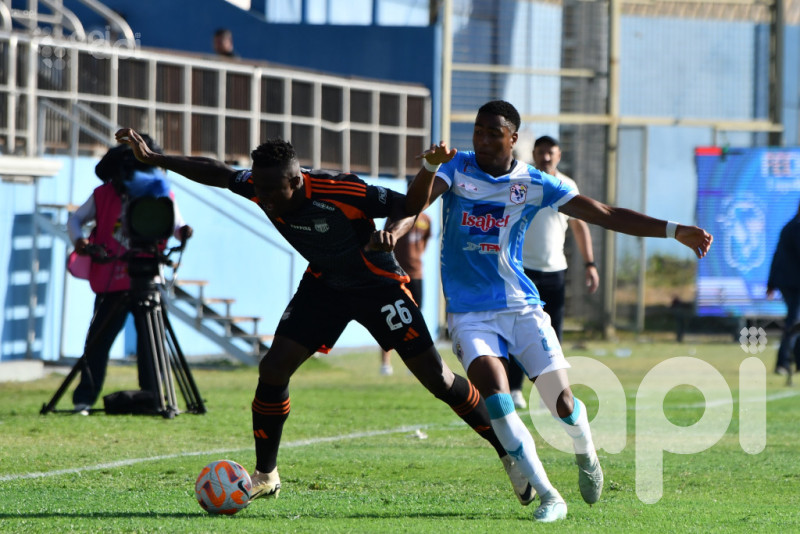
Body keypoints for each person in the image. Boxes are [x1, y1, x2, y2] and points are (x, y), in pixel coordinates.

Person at [115, 127, 535, 507]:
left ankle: (509, 451)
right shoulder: (261, 186)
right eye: (258, 188)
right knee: (273, 368)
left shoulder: (342, 190)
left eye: (272, 190)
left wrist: (421, 178)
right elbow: (219, 172)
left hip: (377, 286)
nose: (263, 197)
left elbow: (410, 203)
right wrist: (157, 158)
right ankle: (266, 475)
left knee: (438, 379)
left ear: (296, 181)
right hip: (325, 287)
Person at [404, 100, 713, 522]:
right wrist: (427, 168)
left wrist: (674, 231)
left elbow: (605, 214)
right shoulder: (455, 167)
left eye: (493, 133)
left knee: (562, 402)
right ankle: (551, 496)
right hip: (470, 314)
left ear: (514, 138)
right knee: (496, 401)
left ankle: (586, 453)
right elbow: (412, 206)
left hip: (522, 308)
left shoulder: (535, 182)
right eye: (477, 131)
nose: (482, 140)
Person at [67, 136, 192, 415]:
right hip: (111, 279)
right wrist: (80, 242)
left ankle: (153, 399)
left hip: (149, 277)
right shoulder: (103, 194)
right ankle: (83, 400)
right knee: (98, 341)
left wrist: (183, 232)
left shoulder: (160, 193)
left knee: (152, 345)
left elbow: (176, 224)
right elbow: (76, 219)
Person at [507, 135, 599, 409]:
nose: (546, 157)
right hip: (523, 271)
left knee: (552, 336)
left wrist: (590, 264)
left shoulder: (567, 186)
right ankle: (513, 389)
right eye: (541, 152)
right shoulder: (522, 181)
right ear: (534, 154)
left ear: (559, 155)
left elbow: (580, 226)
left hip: (555, 271)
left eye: (551, 152)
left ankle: (553, 393)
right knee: (519, 333)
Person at [379, 211, 432, 376]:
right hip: (396, 273)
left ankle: (415, 362)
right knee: (390, 318)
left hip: (416, 274)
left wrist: (417, 256)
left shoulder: (426, 219)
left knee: (416, 319)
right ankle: (385, 364)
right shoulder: (394, 216)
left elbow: (426, 239)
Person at [766, 199, 800, 383]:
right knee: (794, 322)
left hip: (789, 283)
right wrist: (771, 283)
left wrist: (770, 283)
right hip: (794, 285)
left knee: (795, 321)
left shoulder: (790, 225)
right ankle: (783, 362)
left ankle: (791, 362)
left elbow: (776, 255)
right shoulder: (795, 227)